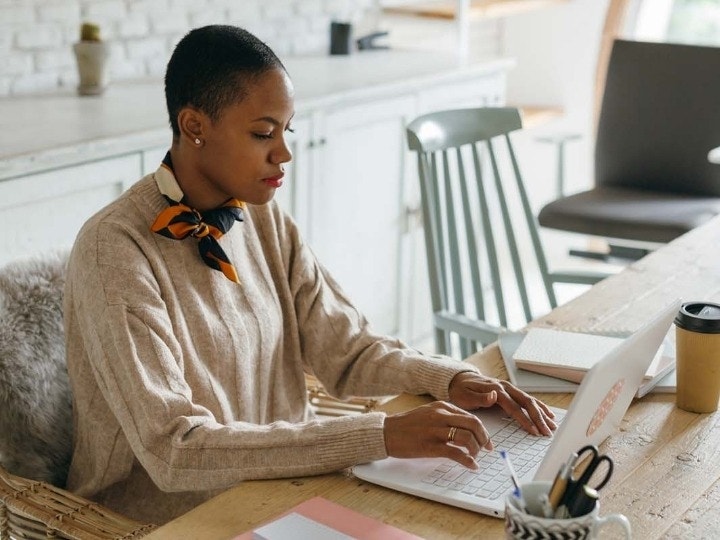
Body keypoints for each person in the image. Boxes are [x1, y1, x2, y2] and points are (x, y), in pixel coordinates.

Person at [63, 24, 556, 525]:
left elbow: (346, 349)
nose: (283, 154)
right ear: (194, 126)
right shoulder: (115, 250)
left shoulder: (261, 215)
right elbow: (175, 450)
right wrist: (380, 435)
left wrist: (450, 378)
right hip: (163, 519)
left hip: (285, 489)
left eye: (286, 130)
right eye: (262, 133)